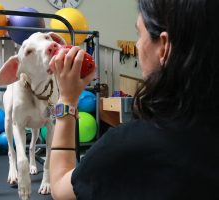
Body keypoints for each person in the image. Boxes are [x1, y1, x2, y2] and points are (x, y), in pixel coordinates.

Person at [48, 0, 219, 199]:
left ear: (164, 47)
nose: (137, 44)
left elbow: (60, 188)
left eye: (139, 34)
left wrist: (67, 100)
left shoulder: (129, 146)